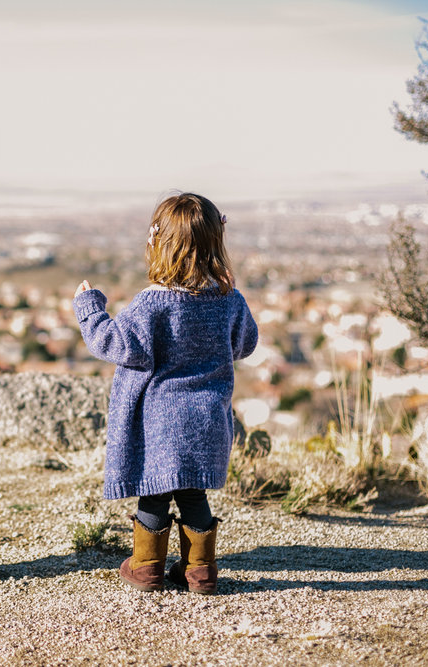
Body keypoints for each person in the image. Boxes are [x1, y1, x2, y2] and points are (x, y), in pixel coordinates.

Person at [72, 192, 258, 595]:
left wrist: (89, 307)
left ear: (159, 243)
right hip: (207, 419)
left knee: (154, 496)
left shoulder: (152, 303)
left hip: (156, 421)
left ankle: (146, 568)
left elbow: (113, 344)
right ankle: (200, 572)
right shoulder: (230, 301)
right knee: (193, 495)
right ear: (215, 242)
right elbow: (245, 344)